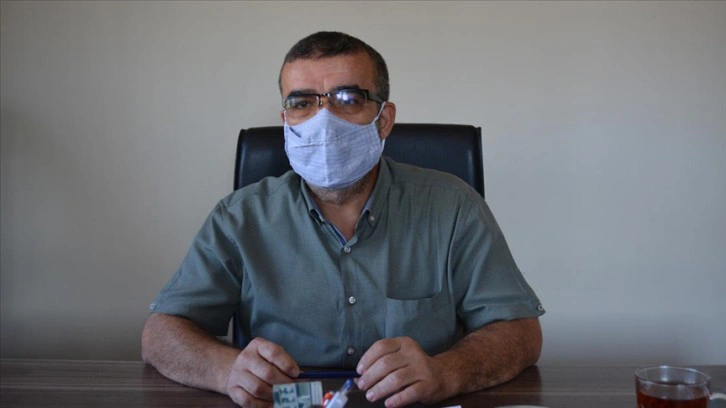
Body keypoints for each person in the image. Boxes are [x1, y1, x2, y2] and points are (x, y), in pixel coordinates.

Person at [142, 31, 545, 408]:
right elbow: (161, 333)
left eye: (347, 99)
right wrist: (224, 369)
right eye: (302, 103)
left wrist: (447, 371)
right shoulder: (240, 217)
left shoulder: (453, 206)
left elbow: (521, 332)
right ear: (286, 122)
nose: (324, 120)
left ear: (383, 119)